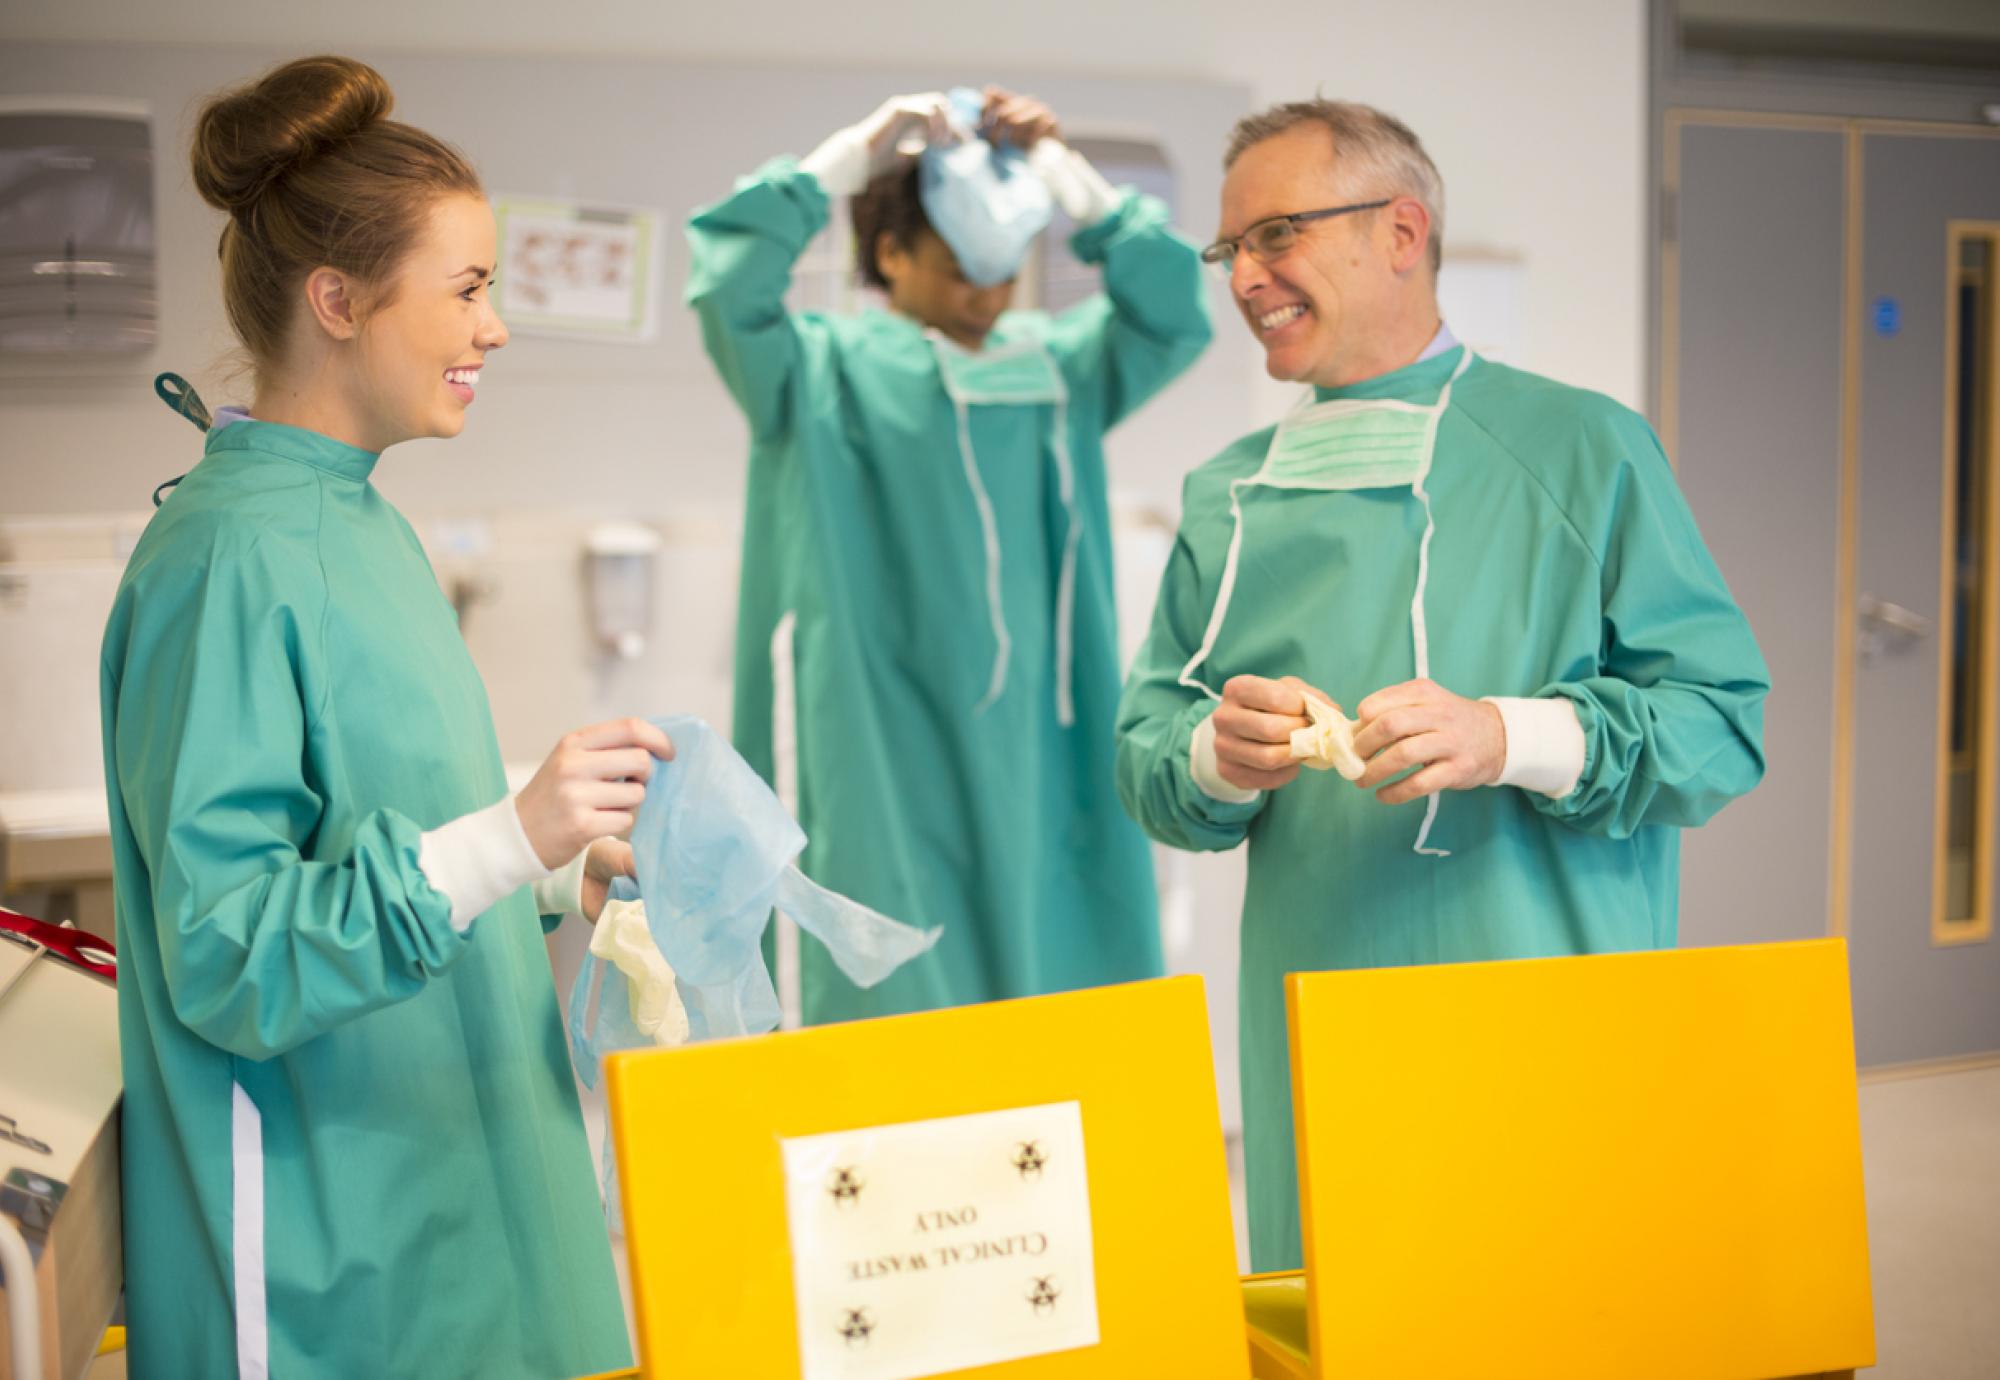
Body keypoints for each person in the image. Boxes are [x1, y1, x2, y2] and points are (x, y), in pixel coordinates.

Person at [1114, 99, 1770, 1272]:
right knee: (1345, 1301)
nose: (1244, 277)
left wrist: (1506, 736)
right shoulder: (1229, 497)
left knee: (1553, 1297)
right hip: (1315, 1017)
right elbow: (1148, 751)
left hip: (1541, 1009)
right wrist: (1216, 756)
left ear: (1400, 232)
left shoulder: (1581, 449)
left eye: (1276, 235)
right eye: (1229, 249)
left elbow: (1718, 727)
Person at [100, 56, 657, 1378]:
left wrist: (555, 874)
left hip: (466, 1193)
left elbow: (395, 845)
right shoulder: (227, 561)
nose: (495, 329)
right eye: (467, 289)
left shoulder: (363, 526)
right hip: (329, 1267)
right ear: (338, 300)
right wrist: (508, 837)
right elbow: (230, 953)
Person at [687, 89, 1212, 1023]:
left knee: (1060, 996)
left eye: (1006, 271)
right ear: (890, 254)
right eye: (963, 269)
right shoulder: (816, 370)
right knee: (884, 991)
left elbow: (1170, 314)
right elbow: (731, 288)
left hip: (1045, 743)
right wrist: (847, 159)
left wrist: (1072, 182)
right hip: (875, 735)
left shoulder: (1055, 369)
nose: (990, 296)